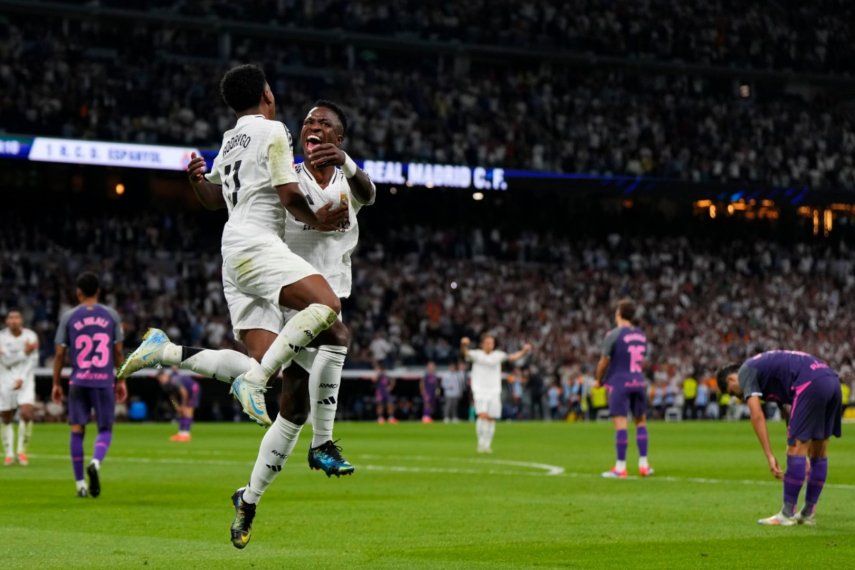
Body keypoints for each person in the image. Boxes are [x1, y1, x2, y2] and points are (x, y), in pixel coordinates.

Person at [717, 350, 842, 526]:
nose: (736, 397)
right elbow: (787, 411)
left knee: (795, 450)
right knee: (819, 451)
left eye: (731, 392)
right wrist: (797, 446)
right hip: (831, 380)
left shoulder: (746, 371)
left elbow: (757, 415)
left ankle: (787, 514)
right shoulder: (767, 370)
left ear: (730, 379)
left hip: (809, 383)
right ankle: (807, 513)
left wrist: (769, 455)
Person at [51, 273, 126, 497]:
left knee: (76, 430)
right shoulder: (111, 315)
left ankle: (80, 485)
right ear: (99, 291)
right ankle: (95, 462)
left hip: (78, 381)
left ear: (78, 292)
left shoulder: (69, 317)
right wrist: (121, 379)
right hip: (103, 381)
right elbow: (119, 352)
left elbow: (58, 354)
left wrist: (56, 383)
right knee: (104, 429)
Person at [595, 299, 653, 478]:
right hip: (638, 381)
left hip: (620, 382)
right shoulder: (641, 335)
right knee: (641, 422)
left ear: (619, 314)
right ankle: (644, 465)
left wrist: (599, 380)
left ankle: (620, 467)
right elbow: (643, 360)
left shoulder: (613, 335)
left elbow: (604, 361)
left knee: (621, 425)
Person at [460, 335, 532, 453]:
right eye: (487, 343)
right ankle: (480, 442)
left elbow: (512, 357)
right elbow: (465, 353)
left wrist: (524, 351)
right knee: (482, 415)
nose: (490, 345)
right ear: (482, 344)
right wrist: (463, 344)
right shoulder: (477, 355)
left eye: (491, 343)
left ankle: (487, 445)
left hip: (494, 390)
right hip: (480, 390)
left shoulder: (498, 355)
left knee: (492, 418)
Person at [0, 310, 39, 466]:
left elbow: (33, 361)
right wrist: (24, 352)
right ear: (6, 321)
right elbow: (6, 361)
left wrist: (22, 378)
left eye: (17, 317)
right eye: (11, 318)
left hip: (26, 380)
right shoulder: (1, 337)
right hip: (5, 379)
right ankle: (9, 453)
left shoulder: (31, 336)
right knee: (6, 417)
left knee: (27, 413)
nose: (14, 320)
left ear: (22, 320)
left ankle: (21, 451)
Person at [157, 368, 200, 442]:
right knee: (181, 413)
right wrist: (177, 407)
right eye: (159, 379)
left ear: (166, 376)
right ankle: (181, 434)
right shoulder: (165, 385)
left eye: (162, 377)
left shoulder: (174, 380)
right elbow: (172, 397)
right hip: (184, 393)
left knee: (188, 411)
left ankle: (186, 435)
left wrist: (183, 405)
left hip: (193, 389)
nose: (161, 380)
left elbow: (184, 393)